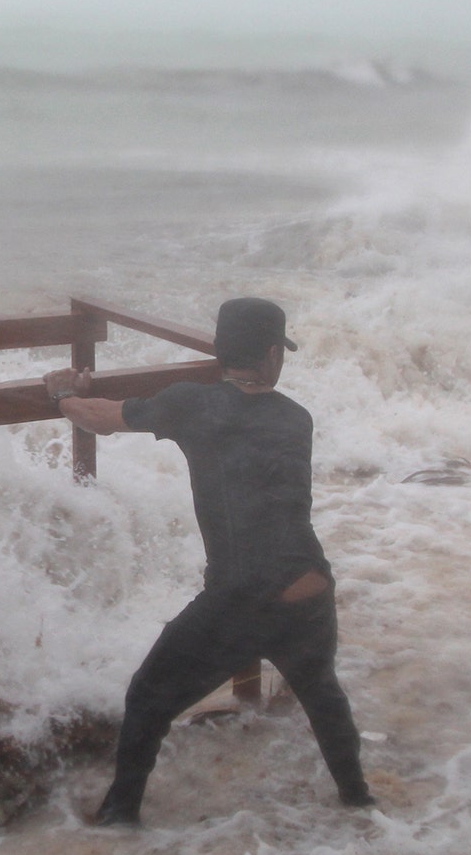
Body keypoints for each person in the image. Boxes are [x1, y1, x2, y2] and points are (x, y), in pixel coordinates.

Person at [44, 297, 374, 826]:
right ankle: (360, 804)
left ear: (223, 351)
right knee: (323, 696)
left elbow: (98, 418)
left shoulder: (191, 405)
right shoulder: (296, 418)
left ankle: (118, 817)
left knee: (149, 696)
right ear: (271, 355)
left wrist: (63, 391)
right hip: (309, 584)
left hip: (241, 596)